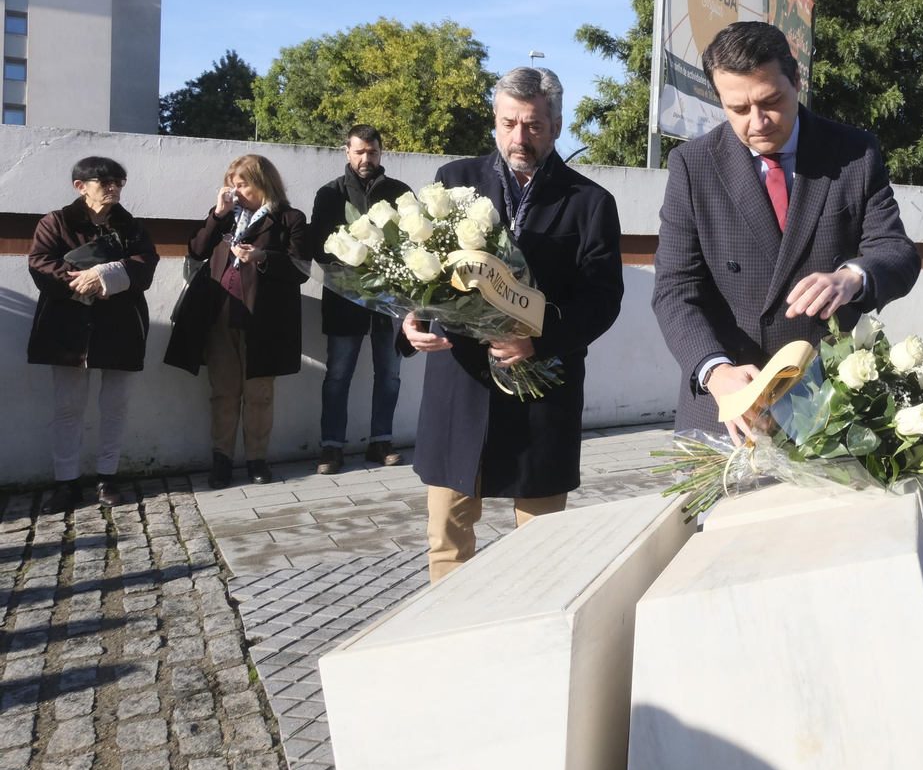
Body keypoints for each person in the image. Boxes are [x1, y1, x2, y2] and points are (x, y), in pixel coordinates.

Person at [400, 67, 624, 583]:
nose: (518, 138)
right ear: (494, 121)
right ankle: (450, 640)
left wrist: (539, 340)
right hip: (460, 391)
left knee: (541, 549)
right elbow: (420, 267)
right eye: (508, 124)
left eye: (533, 126)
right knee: (447, 541)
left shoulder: (590, 203)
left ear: (557, 125)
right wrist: (409, 319)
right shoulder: (452, 181)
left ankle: (533, 646)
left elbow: (603, 299)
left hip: (541, 396)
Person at [653, 22, 921, 439]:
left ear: (797, 80)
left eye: (770, 101)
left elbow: (896, 251)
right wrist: (714, 370)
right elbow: (674, 290)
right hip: (728, 408)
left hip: (832, 399)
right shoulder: (693, 166)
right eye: (737, 109)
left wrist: (852, 276)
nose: (757, 122)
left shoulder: (853, 152)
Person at [165, 155, 313, 489]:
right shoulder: (226, 217)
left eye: (242, 183)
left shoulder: (290, 218)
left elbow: (301, 270)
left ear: (264, 183)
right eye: (233, 182)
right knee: (224, 392)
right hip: (220, 314)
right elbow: (197, 249)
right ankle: (222, 460)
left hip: (265, 320)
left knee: (259, 392)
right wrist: (217, 214)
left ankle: (257, 459)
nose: (236, 190)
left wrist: (261, 257)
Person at [28, 156, 159, 512]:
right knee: (68, 407)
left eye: (119, 181)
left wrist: (106, 274)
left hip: (122, 324)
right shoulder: (54, 222)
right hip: (67, 328)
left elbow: (145, 266)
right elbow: (40, 264)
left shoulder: (131, 227)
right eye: (106, 182)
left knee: (115, 406)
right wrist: (82, 283)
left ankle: (107, 478)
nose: (114, 187)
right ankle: (66, 483)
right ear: (80, 186)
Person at [308, 125, 414, 475]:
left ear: (381, 153)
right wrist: (358, 261)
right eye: (359, 152)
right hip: (344, 301)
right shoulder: (329, 194)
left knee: (390, 374)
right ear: (347, 152)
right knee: (338, 375)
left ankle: (381, 441)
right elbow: (318, 248)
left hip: (390, 303)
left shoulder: (401, 193)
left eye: (372, 152)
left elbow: (414, 245)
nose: (366, 158)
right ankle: (331, 447)